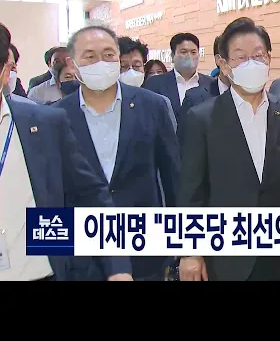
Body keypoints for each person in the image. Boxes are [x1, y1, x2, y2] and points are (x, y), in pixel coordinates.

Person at [179, 17, 280, 281]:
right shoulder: (202, 118)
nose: (251, 64)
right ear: (224, 65)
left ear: (269, 58)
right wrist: (190, 252)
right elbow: (191, 191)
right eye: (241, 57)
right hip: (224, 256)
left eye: (258, 55)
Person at [0, 22, 133, 281]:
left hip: (42, 272)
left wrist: (116, 266)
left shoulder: (42, 124)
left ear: (5, 72)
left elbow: (89, 194)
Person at [54, 24, 180, 281]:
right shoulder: (55, 116)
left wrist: (185, 248)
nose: (100, 63)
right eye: (90, 56)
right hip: (81, 258)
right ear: (73, 64)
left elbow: (173, 179)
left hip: (145, 250)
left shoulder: (152, 106)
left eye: (108, 55)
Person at [142, 33, 214, 119]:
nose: (189, 56)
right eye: (184, 52)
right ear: (173, 56)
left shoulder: (211, 83)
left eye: (193, 52)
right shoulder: (155, 83)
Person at [177, 36, 229, 145]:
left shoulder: (261, 98)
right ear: (219, 60)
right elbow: (183, 144)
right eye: (240, 56)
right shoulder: (195, 98)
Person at [118, 36, 176, 132]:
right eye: (124, 66)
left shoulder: (159, 103)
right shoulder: (105, 104)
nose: (131, 71)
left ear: (144, 68)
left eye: (137, 65)